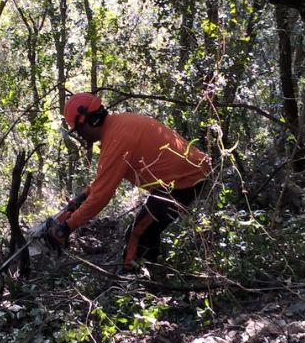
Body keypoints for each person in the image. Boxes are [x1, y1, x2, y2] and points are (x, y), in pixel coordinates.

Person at [44, 92, 212, 274]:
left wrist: (66, 228)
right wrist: (81, 199)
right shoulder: (118, 127)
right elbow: (103, 181)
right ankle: (152, 275)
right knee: (147, 229)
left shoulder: (116, 139)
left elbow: (101, 197)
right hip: (181, 178)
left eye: (79, 129)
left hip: (184, 181)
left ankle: (133, 284)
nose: (80, 135)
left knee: (137, 233)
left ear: (91, 121)